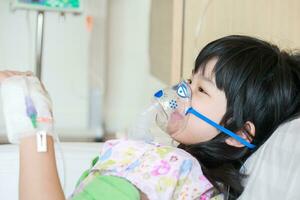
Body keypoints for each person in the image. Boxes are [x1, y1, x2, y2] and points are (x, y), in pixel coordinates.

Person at [1, 35, 299, 200]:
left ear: (242, 134)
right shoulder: (186, 174)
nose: (181, 91)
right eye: (189, 80)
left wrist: (35, 123)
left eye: (201, 89)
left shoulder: (168, 170)